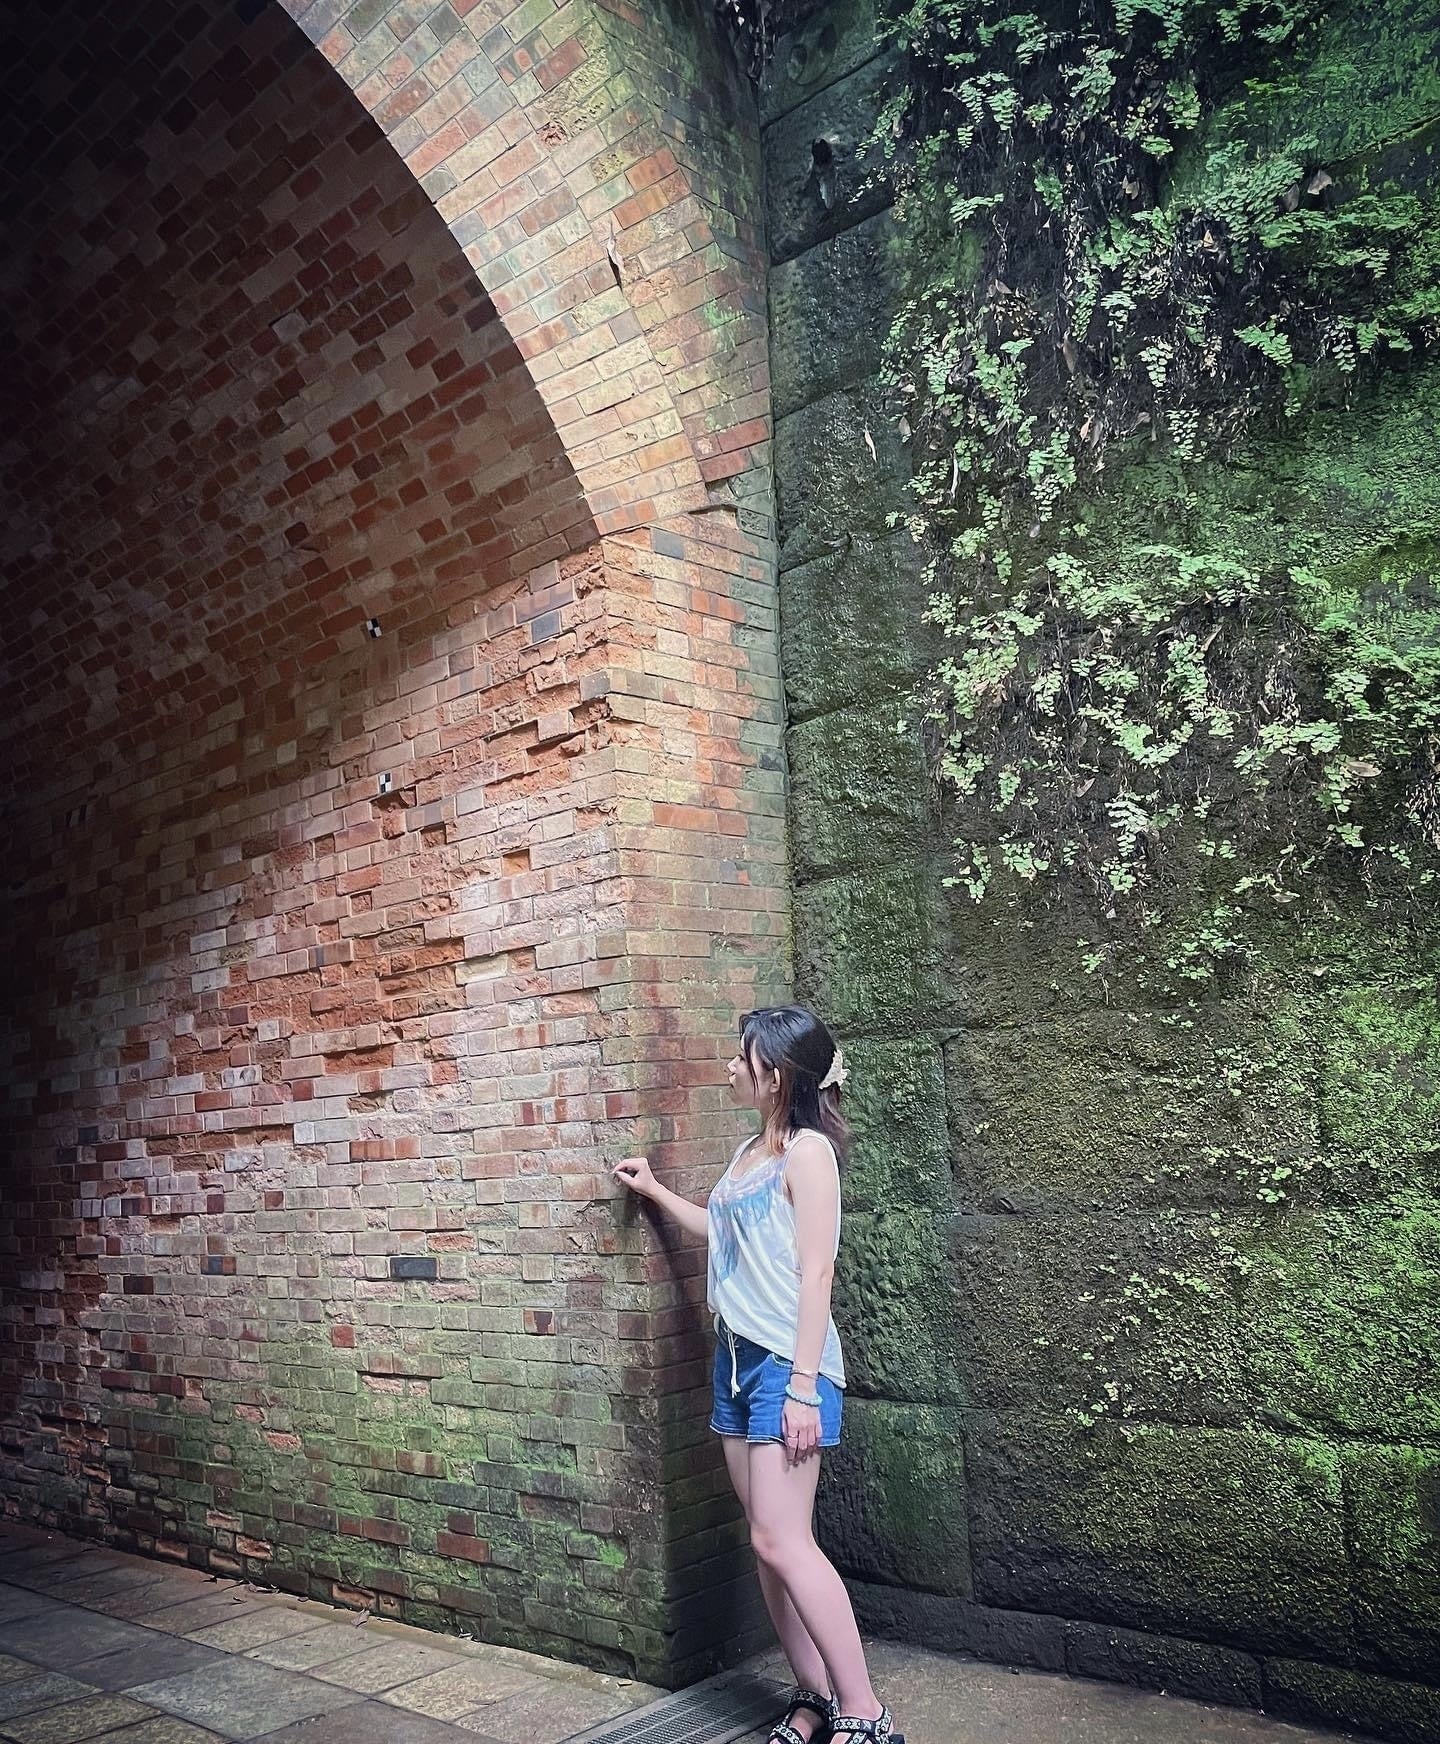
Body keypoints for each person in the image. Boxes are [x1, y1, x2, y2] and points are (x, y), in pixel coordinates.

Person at [613, 1005, 903, 1744]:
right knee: (766, 1543)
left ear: (776, 1075)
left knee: (783, 1542)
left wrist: (803, 1387)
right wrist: (655, 1192)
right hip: (736, 1363)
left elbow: (817, 1273)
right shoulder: (750, 1151)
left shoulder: (809, 1154)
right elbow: (722, 1231)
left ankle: (865, 1711)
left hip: (786, 1366)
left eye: (742, 1058)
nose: (731, 1067)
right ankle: (814, 1696)